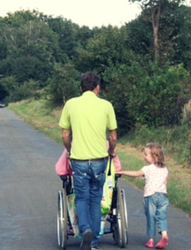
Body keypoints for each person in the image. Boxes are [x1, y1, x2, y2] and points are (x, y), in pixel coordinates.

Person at [58, 72, 117, 250]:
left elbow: (65, 134)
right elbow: (112, 136)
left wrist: (69, 150)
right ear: (97, 88)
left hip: (79, 160)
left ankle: (84, 230)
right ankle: (94, 242)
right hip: (99, 159)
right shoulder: (106, 105)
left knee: (81, 198)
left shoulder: (70, 104)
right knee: (96, 198)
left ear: (81, 88)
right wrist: (111, 152)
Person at [119, 143, 170, 249]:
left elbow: (136, 174)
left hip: (150, 196)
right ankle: (164, 235)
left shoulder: (147, 168)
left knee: (151, 218)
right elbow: (165, 183)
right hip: (163, 196)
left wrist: (122, 172)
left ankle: (151, 240)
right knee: (162, 217)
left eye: (146, 154)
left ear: (154, 156)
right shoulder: (165, 169)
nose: (144, 156)